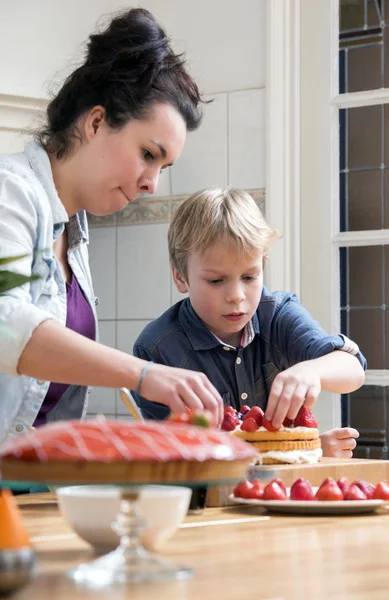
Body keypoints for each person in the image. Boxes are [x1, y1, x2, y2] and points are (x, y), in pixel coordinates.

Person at [0, 8, 224, 447]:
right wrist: (144, 374)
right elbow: (5, 323)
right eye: (147, 153)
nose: (151, 183)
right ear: (96, 121)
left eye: (163, 166)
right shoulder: (11, 192)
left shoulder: (74, 232)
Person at [133, 186, 366, 459]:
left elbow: (354, 369)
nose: (236, 296)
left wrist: (311, 371)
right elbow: (172, 457)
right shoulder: (156, 349)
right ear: (181, 277)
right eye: (216, 281)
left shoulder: (278, 314)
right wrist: (303, 451)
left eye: (250, 276)